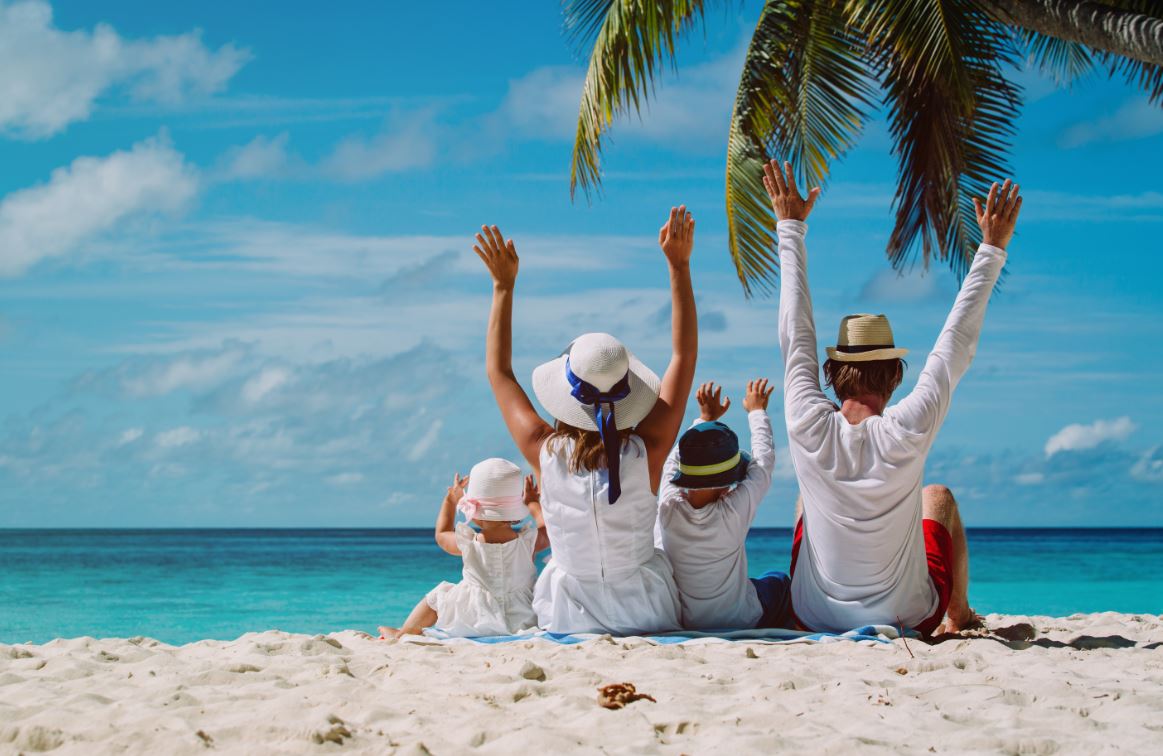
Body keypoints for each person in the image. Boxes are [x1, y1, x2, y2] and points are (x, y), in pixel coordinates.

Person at [764, 159, 1022, 635]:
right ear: (895, 375)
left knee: (807, 499)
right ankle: (958, 615)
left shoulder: (806, 419)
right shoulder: (908, 428)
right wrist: (990, 250)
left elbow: (794, 332)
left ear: (830, 373)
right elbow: (954, 348)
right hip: (907, 617)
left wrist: (790, 228)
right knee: (937, 497)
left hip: (811, 617)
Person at [472, 206, 699, 635]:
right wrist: (679, 266)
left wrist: (503, 287)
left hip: (568, 613)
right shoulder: (647, 451)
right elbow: (683, 357)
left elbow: (498, 372)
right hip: (645, 610)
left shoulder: (545, 450)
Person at [656, 379, 791, 630]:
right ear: (729, 482)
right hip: (740, 619)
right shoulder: (733, 512)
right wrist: (757, 411)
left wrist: (704, 419)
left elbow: (671, 463)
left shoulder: (668, 508)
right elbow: (763, 463)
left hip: (686, 620)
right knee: (778, 580)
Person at [377, 458, 547, 639]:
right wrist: (533, 503)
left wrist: (450, 500)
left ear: (474, 514)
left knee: (439, 594)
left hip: (474, 617)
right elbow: (547, 530)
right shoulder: (529, 542)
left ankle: (404, 632)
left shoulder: (468, 543)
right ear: (515, 513)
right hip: (522, 616)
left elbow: (442, 535)